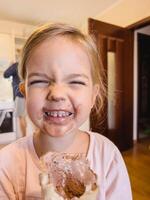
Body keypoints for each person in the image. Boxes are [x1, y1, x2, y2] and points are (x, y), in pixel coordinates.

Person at [0, 23, 132, 199]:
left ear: (93, 95)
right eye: (40, 81)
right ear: (25, 93)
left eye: (76, 82)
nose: (57, 94)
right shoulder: (6, 164)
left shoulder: (108, 156)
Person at [3, 61, 26, 137]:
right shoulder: (26, 64)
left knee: (21, 117)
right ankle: (25, 137)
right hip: (27, 94)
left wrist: (11, 66)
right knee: (24, 117)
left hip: (19, 95)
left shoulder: (16, 65)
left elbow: (5, 74)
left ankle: (24, 137)